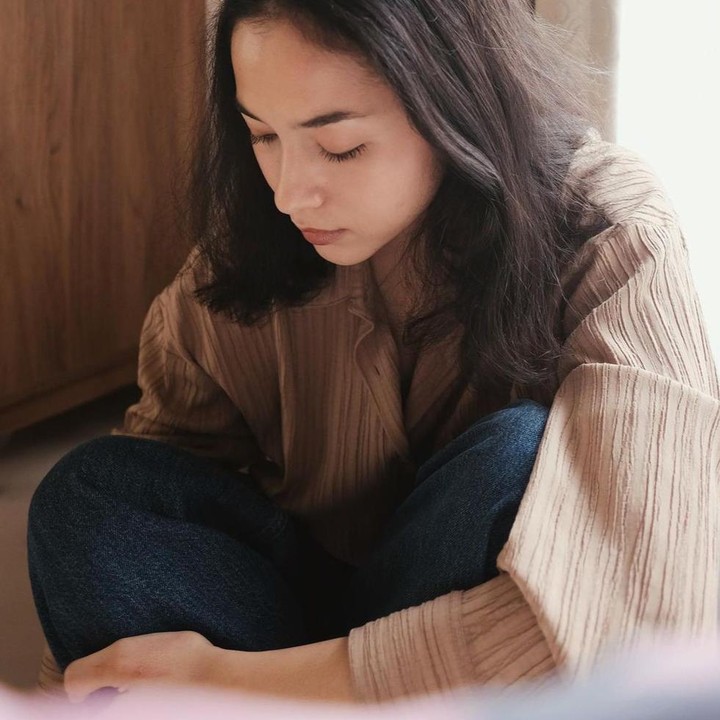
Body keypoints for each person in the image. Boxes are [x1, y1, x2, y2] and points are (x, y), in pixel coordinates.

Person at [27, 0, 720, 706]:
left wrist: (230, 682)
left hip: (398, 639)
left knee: (514, 462)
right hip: (300, 610)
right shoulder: (249, 255)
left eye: (340, 147)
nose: (291, 193)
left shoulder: (608, 228)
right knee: (88, 494)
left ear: (452, 101)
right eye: (263, 136)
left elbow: (640, 606)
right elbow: (130, 537)